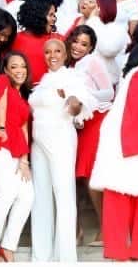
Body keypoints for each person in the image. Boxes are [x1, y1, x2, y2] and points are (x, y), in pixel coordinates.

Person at [90, 42, 138, 261]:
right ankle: (127, 251)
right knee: (123, 195)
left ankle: (133, 250)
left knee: (130, 194)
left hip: (133, 140)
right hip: (128, 142)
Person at [29, 39, 98, 262]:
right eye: (48, 52)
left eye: (57, 51)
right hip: (38, 142)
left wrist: (74, 103)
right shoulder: (44, 80)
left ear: (65, 54)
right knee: (40, 197)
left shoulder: (71, 77)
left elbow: (80, 102)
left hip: (60, 139)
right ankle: (41, 257)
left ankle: (66, 258)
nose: (52, 55)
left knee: (64, 195)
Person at [0, 51, 33, 262]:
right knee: (6, 193)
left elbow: (24, 128)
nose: (19, 70)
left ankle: (8, 247)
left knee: (27, 196)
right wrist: (1, 127)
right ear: (6, 70)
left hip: (17, 151)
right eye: (14, 66)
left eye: (23, 66)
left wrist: (25, 160)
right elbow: (0, 104)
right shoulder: (2, 81)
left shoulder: (23, 96)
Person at [66, 25, 115, 247]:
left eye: (84, 44)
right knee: (83, 176)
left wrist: (82, 95)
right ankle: (83, 230)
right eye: (76, 41)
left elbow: (109, 93)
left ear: (91, 48)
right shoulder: (69, 64)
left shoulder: (92, 62)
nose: (78, 47)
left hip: (97, 121)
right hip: (79, 124)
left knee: (91, 174)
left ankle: (106, 229)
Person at [79, 0, 129, 84]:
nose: (85, 2)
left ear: (100, 7)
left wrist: (93, 20)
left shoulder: (116, 29)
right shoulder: (78, 20)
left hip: (102, 85)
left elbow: (108, 49)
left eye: (90, 1)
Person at [11, 0, 64, 84]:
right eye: (51, 15)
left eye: (54, 15)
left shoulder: (59, 40)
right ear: (38, 16)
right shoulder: (14, 39)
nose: (54, 19)